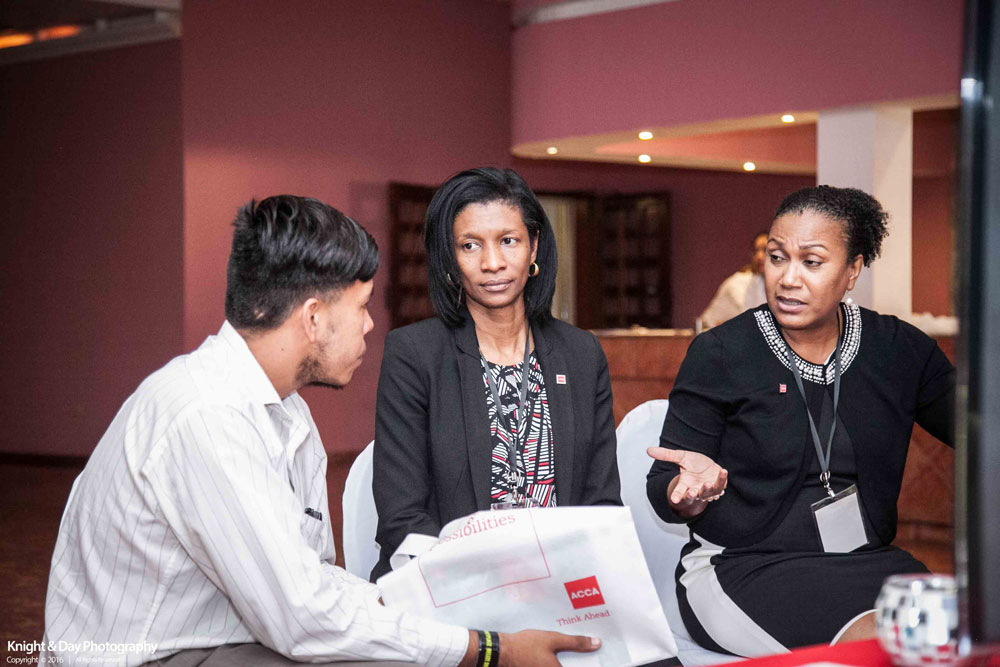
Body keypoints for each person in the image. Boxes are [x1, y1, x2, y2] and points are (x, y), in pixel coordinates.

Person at [42, 195, 601, 666]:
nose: (370, 325)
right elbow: (304, 619)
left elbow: (314, 583)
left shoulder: (286, 411)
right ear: (313, 318)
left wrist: (435, 621)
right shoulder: (207, 416)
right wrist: (489, 649)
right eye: (361, 307)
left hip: (228, 639)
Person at [646, 186, 954, 656]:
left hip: (868, 562)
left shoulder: (898, 350)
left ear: (852, 270)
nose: (788, 278)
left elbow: (980, 430)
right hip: (743, 566)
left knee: (951, 631)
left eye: (812, 262)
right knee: (889, 646)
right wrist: (686, 494)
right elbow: (665, 482)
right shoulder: (722, 353)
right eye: (777, 258)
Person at [371, 167, 622, 581]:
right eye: (470, 245)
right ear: (449, 257)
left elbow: (601, 505)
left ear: (534, 245)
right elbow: (403, 516)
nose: (492, 263)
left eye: (508, 241)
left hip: (557, 583)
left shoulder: (580, 354)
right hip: (453, 585)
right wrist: (489, 589)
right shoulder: (414, 354)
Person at [699, 231, 768, 327]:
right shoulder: (741, 283)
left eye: (765, 250)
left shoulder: (782, 283)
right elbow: (755, 323)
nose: (759, 256)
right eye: (756, 251)